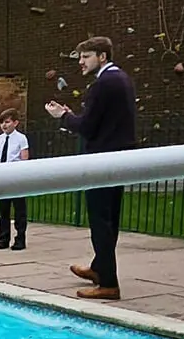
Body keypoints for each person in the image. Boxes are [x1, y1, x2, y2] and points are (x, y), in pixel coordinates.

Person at [45, 36, 137, 301]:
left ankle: (108, 283)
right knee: (110, 219)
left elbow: (87, 127)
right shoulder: (122, 79)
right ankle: (99, 268)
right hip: (118, 158)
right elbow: (99, 121)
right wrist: (73, 116)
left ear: (102, 57)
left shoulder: (102, 84)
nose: (81, 63)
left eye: (86, 57)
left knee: (101, 222)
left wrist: (62, 116)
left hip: (102, 160)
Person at [0, 108, 30, 251]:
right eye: (2, 122)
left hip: (15, 176)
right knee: (4, 211)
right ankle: (4, 238)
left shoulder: (21, 138)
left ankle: (20, 239)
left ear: (15, 123)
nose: (4, 125)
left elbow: (24, 157)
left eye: (7, 122)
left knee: (19, 210)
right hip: (2, 177)